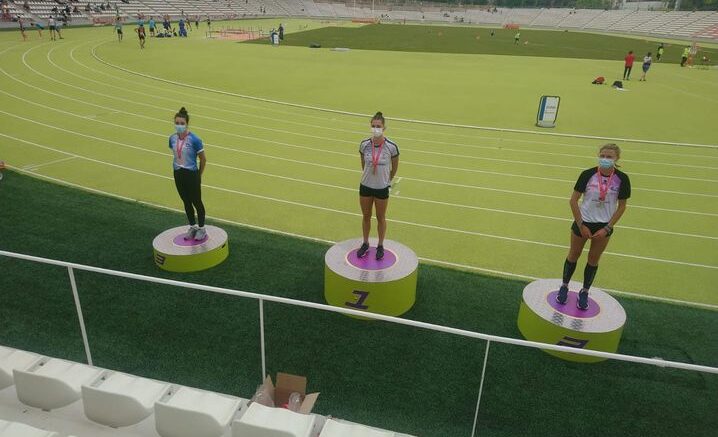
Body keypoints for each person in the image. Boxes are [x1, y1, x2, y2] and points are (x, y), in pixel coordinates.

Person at [557, 144, 630, 310]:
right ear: (598, 156)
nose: (605, 159)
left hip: (603, 226)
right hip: (583, 222)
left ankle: (584, 291)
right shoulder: (587, 174)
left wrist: (607, 228)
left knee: (593, 259)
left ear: (617, 159)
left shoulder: (622, 179)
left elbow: (622, 206)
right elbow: (573, 200)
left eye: (609, 157)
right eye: (603, 155)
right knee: (573, 255)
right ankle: (564, 286)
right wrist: (580, 224)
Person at [356, 112, 400, 260]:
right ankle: (366, 242)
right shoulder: (364, 145)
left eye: (378, 126)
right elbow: (363, 165)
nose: (376, 129)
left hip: (381, 188)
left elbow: (394, 167)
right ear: (370, 127)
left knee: (381, 217)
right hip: (365, 186)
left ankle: (380, 245)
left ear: (384, 127)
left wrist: (387, 180)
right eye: (373, 126)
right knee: (366, 216)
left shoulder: (391, 147)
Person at [169, 107, 208, 241]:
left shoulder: (195, 139)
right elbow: (176, 154)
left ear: (187, 124)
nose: (179, 126)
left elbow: (203, 159)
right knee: (186, 201)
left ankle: (202, 229)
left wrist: (199, 174)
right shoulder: (172, 139)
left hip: (192, 174)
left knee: (196, 201)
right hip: (178, 173)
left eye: (182, 123)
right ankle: (192, 226)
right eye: (177, 123)